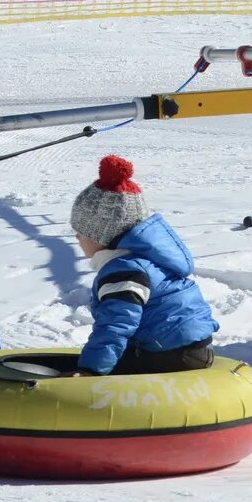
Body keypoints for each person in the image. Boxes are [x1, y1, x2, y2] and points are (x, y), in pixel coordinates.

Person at [69, 155, 219, 376]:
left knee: (108, 364)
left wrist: (90, 370)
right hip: (187, 348)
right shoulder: (145, 261)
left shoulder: (123, 271)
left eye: (81, 232)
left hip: (170, 355)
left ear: (100, 236)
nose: (76, 237)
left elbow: (116, 326)